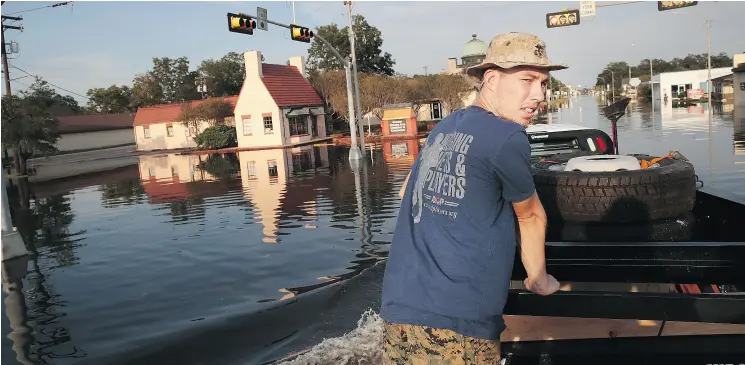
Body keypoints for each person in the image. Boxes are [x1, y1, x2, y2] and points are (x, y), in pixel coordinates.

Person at [380, 32, 565, 364]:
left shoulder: (446, 126)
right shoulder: (508, 135)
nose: (539, 95)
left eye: (543, 83)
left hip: (400, 307)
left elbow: (408, 189)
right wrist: (539, 278)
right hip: (458, 322)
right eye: (528, 80)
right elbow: (531, 216)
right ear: (491, 79)